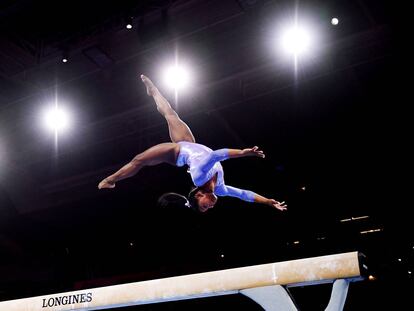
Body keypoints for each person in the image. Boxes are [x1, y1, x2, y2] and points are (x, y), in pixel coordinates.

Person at [98, 75, 287, 213]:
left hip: (177, 152)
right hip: (190, 143)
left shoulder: (200, 177)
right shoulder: (220, 189)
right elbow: (244, 194)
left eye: (205, 206)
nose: (211, 205)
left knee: (139, 159)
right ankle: (153, 91)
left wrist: (244, 153)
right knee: (171, 113)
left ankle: (110, 180)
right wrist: (268, 202)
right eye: (209, 208)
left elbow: (215, 155)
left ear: (198, 196)